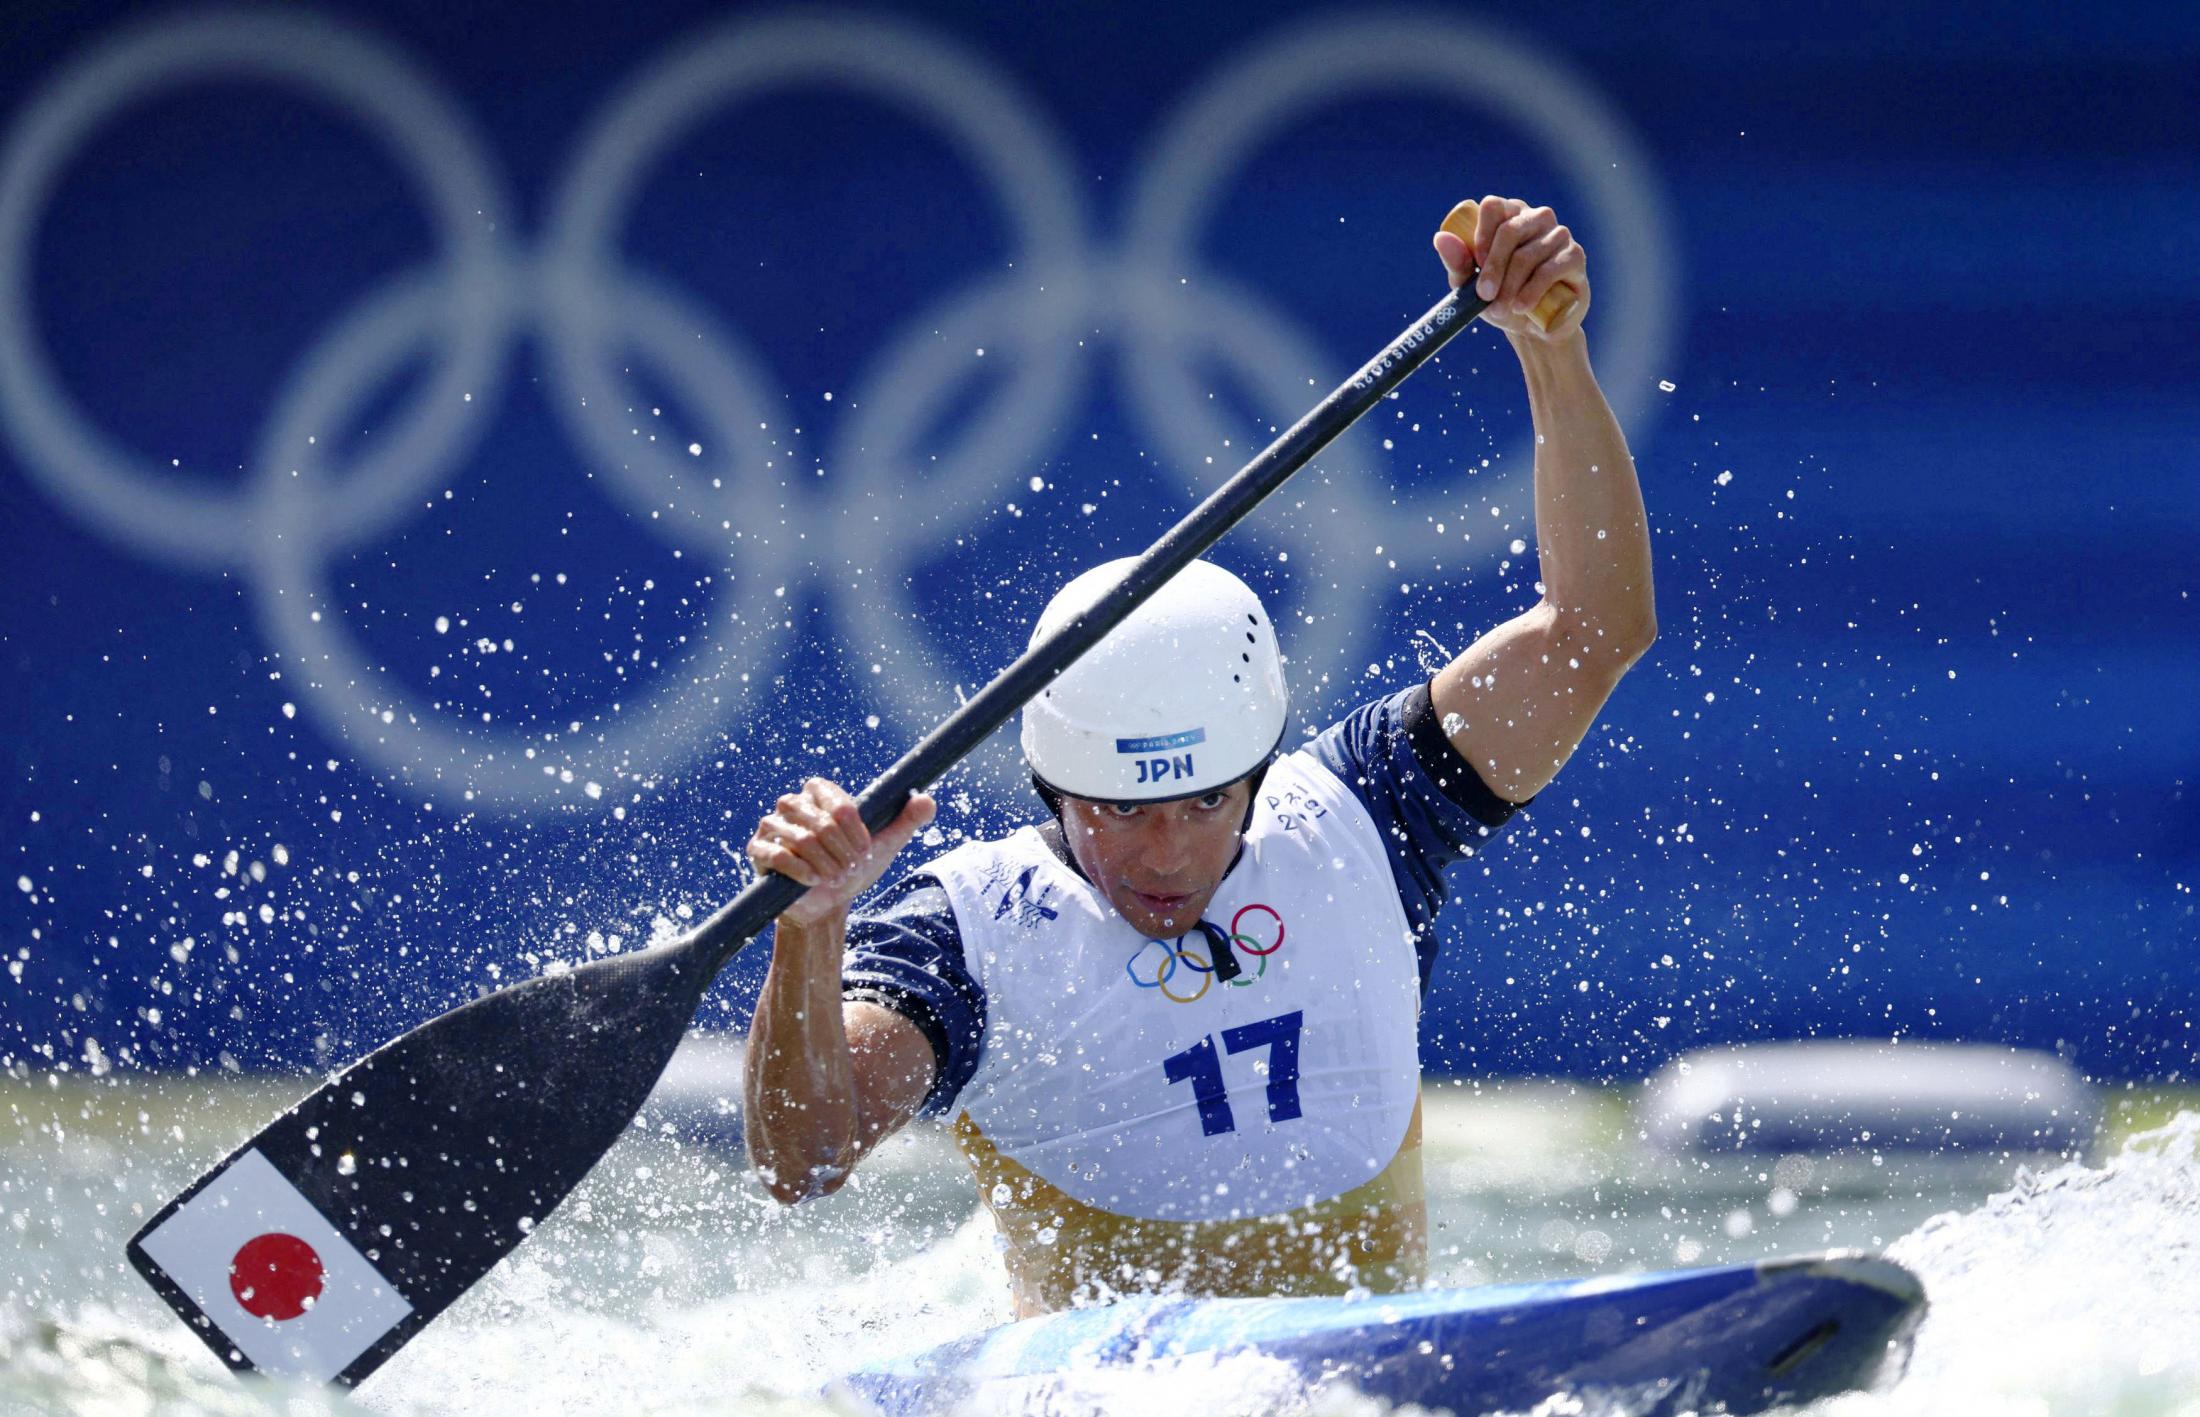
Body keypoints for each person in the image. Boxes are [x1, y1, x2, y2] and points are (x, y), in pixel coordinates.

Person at [742, 196, 1655, 1317]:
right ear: (1050, 787)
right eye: (1117, 811)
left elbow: (1593, 633)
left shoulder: (1365, 809)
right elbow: (804, 1163)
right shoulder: (966, 931)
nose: (1164, 851)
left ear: (1258, 774)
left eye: (1205, 801)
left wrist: (1550, 348)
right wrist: (808, 931)